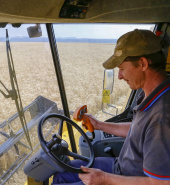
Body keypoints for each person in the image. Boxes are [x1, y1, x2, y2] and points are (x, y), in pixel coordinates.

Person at [52, 29, 170, 185]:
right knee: (63, 171)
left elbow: (160, 183)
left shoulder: (162, 116)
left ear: (143, 64)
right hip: (120, 167)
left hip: (129, 178)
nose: (120, 76)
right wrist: (99, 125)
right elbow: (140, 131)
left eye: (122, 68)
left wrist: (104, 178)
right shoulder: (152, 94)